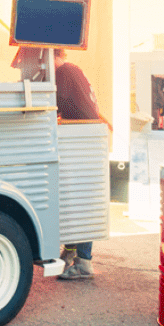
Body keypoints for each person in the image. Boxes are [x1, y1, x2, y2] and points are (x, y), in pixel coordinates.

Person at [53, 47, 111, 280]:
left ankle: (84, 262)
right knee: (73, 196)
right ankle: (70, 251)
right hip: (88, 138)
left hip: (84, 140)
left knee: (81, 199)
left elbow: (54, 103)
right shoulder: (73, 70)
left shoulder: (64, 72)